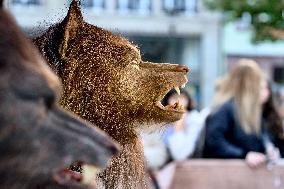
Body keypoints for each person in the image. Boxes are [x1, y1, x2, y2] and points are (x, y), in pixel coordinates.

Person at [203, 59, 284, 168]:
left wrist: (267, 150)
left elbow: (256, 141)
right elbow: (214, 141)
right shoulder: (226, 108)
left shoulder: (249, 110)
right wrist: (244, 154)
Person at [163, 89, 205, 161]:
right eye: (175, 98)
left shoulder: (194, 120)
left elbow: (181, 155)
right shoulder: (162, 122)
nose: (179, 102)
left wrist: (178, 127)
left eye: (182, 98)